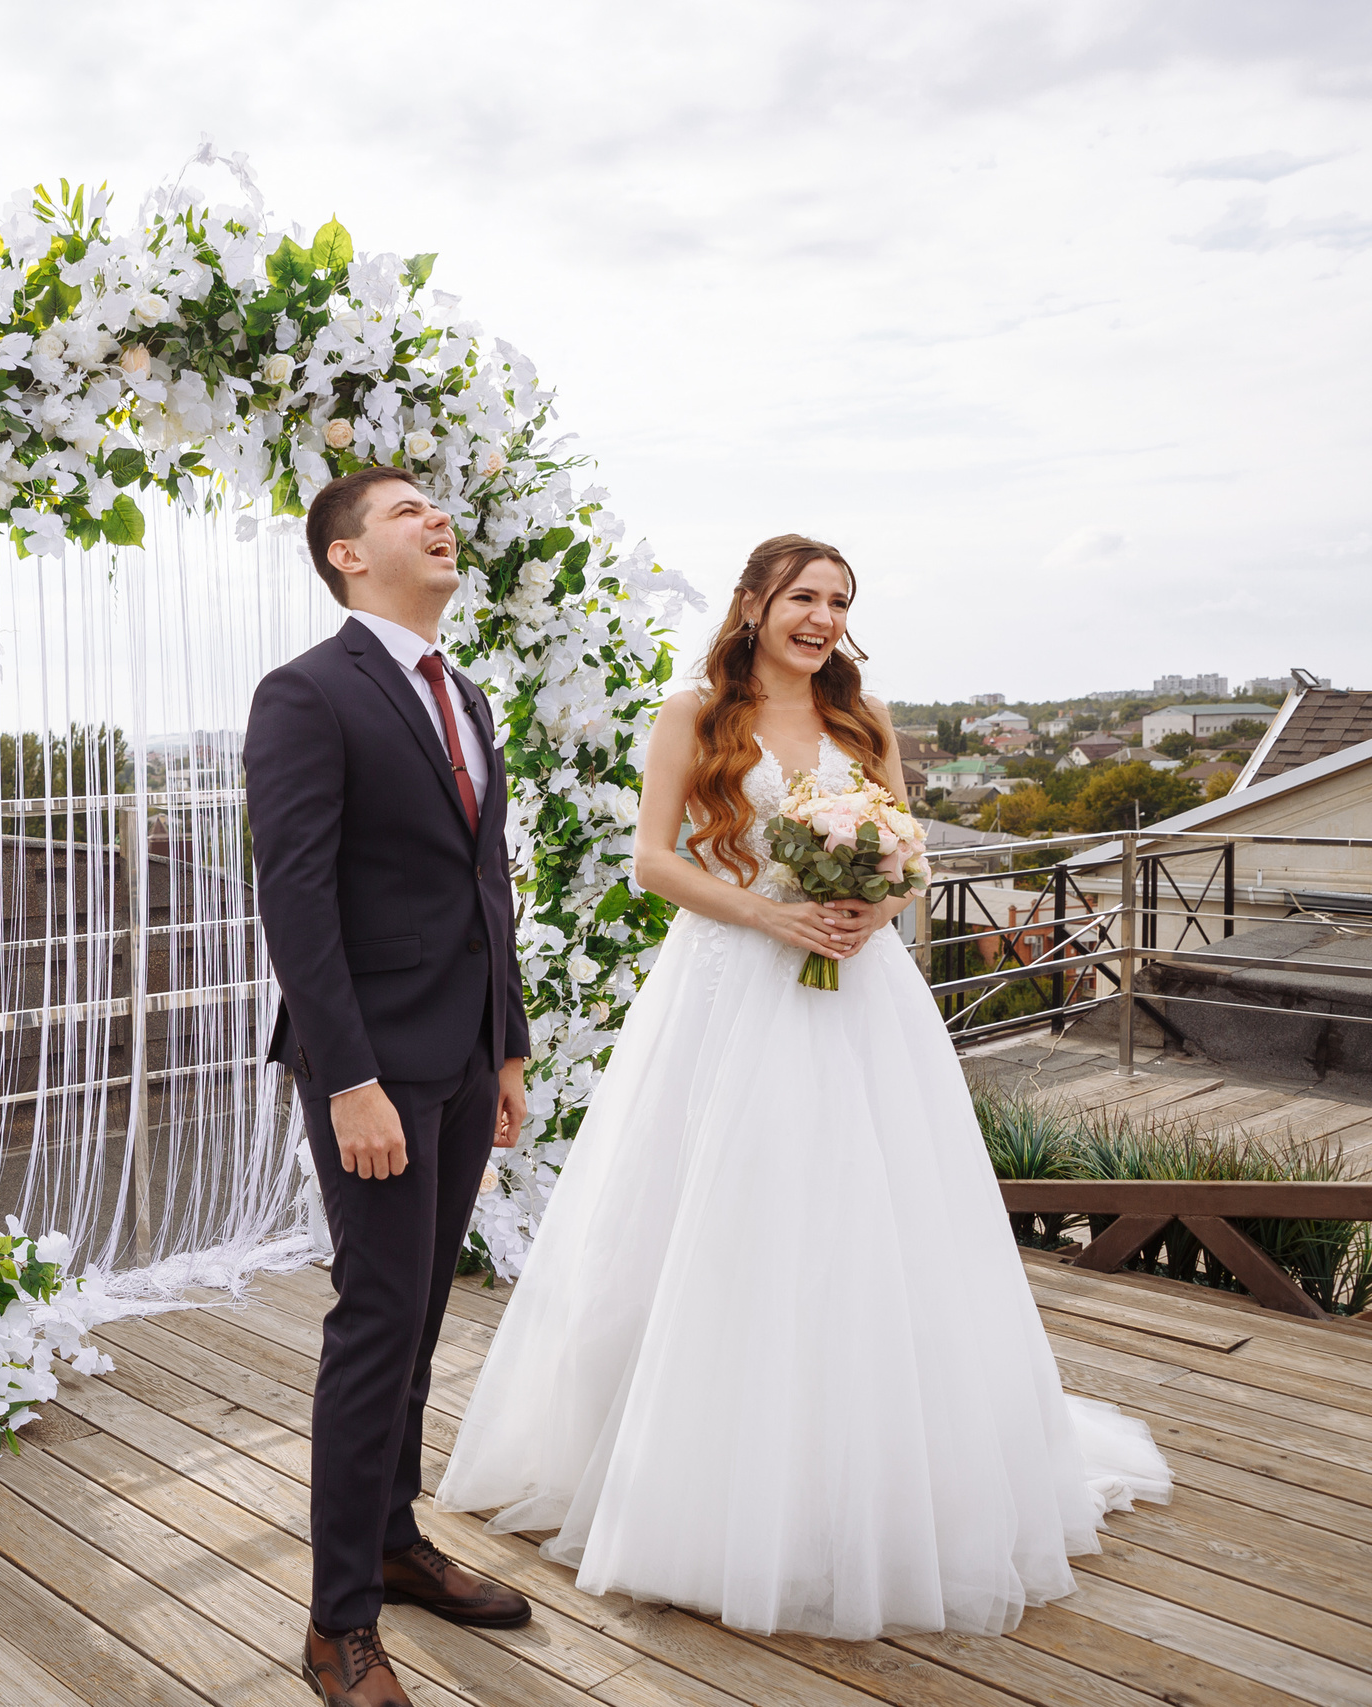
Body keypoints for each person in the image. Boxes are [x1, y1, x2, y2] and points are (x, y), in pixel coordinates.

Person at [434, 534, 1171, 1639]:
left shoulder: (863, 725)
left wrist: (875, 909)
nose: (822, 618)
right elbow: (656, 862)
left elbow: (906, 856)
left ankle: (863, 1476)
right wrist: (771, 914)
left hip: (860, 1003)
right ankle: (691, 1480)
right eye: (802, 597)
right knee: (726, 1218)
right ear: (753, 604)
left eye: (838, 600)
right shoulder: (691, 718)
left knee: (867, 1225)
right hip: (731, 986)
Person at [245, 467, 537, 1707]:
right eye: (406, 509)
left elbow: (486, 885)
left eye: (439, 505)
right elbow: (295, 901)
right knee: (374, 1322)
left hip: (463, 1054)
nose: (436, 518)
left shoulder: (460, 691)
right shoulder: (306, 694)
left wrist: (507, 1043)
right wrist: (348, 1078)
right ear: (346, 556)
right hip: (370, 1067)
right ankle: (335, 1625)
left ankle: (394, 1540)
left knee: (422, 1315)